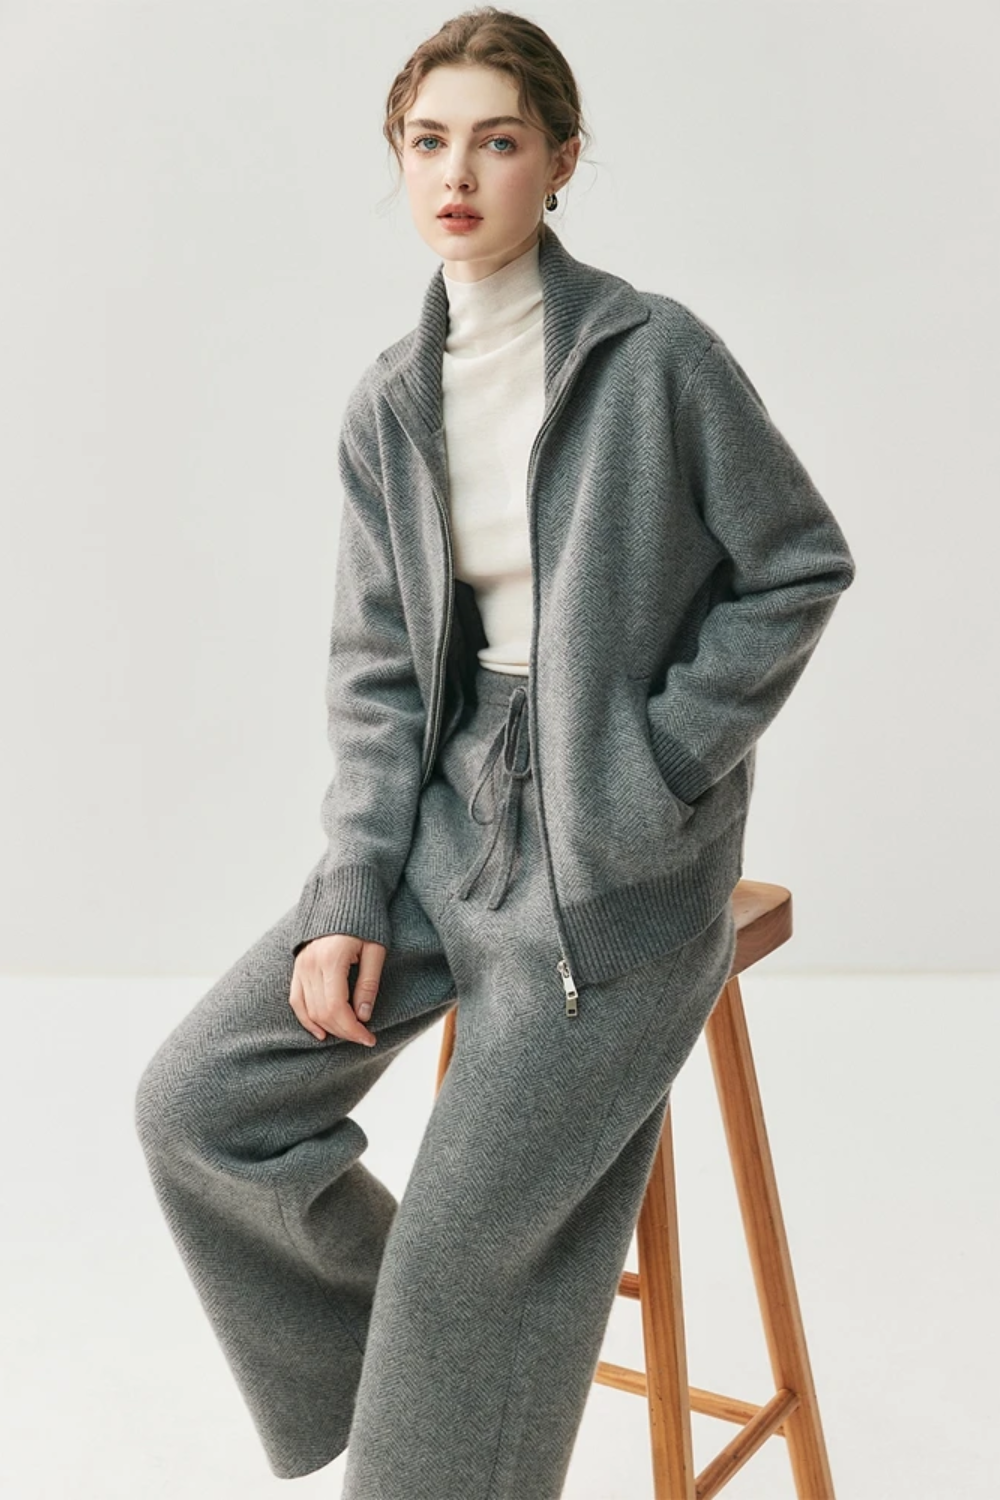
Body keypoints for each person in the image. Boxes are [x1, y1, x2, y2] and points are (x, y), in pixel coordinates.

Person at [134, 8, 856, 1496]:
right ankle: (434, 1362)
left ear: (562, 162)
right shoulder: (390, 404)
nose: (458, 171)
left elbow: (796, 563)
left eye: (499, 139)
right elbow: (382, 676)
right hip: (446, 828)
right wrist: (347, 901)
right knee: (198, 1103)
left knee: (468, 1279)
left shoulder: (655, 358)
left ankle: (445, 1370)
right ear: (399, 164)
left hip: (616, 867)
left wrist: (658, 765)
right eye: (428, 141)